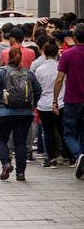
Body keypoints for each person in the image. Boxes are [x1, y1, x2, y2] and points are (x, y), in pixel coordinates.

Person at [0, 47, 42, 181]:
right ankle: (21, 173)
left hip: (4, 112)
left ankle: (6, 163)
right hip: (25, 113)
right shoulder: (28, 73)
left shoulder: (1, 72)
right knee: (20, 143)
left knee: (0, 139)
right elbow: (38, 90)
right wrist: (32, 105)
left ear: (7, 58)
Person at [53, 23, 84, 179]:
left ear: (75, 37)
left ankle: (79, 155)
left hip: (72, 99)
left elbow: (59, 79)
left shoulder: (67, 55)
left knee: (69, 133)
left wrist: (55, 100)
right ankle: (82, 159)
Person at [35, 38, 71, 168]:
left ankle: (51, 158)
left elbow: (37, 87)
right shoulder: (60, 67)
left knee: (48, 131)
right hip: (61, 102)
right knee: (63, 131)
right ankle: (70, 156)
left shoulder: (39, 69)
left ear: (44, 52)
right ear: (56, 53)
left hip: (44, 104)